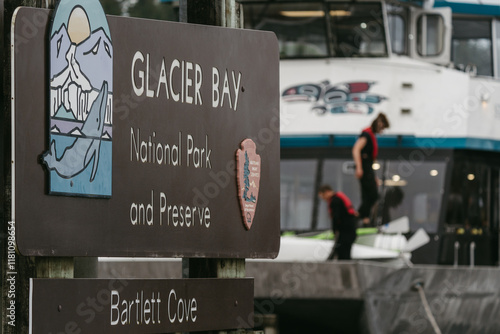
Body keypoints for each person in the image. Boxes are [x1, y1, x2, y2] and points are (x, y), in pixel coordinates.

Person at [352, 112, 390, 226]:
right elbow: (356, 149)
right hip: (364, 166)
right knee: (373, 195)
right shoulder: (366, 135)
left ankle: (365, 219)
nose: (381, 131)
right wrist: (359, 167)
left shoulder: (370, 135)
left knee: (366, 195)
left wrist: (374, 176)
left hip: (367, 167)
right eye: (382, 128)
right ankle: (358, 215)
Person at [318, 185, 357, 260]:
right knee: (344, 253)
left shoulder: (335, 201)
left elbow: (335, 218)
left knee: (342, 253)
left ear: (327, 192)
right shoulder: (338, 198)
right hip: (350, 231)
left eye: (323, 196)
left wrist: (334, 230)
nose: (323, 199)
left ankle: (342, 269)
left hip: (345, 232)